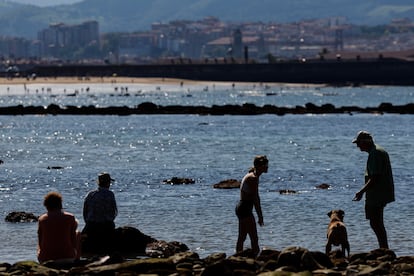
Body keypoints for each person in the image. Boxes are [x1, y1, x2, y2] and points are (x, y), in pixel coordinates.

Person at [352, 130, 395, 249]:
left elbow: (375, 177)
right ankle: (384, 248)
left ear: (366, 142)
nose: (357, 146)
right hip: (382, 192)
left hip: (377, 194)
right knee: (377, 222)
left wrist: (361, 191)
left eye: (359, 143)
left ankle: (384, 248)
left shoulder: (375, 153)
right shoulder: (378, 150)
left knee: (376, 223)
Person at [235, 155, 268, 256]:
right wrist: (260, 216)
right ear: (259, 166)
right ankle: (255, 260)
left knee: (242, 237)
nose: (267, 167)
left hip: (242, 208)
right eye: (265, 165)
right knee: (254, 238)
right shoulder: (253, 178)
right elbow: (255, 199)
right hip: (245, 208)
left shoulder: (252, 175)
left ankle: (237, 256)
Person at [37, 191, 81, 263]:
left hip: (45, 259)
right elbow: (73, 240)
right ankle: (77, 260)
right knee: (78, 233)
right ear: (60, 204)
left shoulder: (42, 219)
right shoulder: (70, 217)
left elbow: (40, 241)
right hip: (67, 257)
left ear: (46, 205)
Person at [82, 172, 118, 253]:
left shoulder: (90, 194)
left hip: (91, 226)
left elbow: (85, 211)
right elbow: (114, 212)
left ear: (98, 182)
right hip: (106, 226)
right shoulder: (110, 194)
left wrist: (88, 223)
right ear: (108, 183)